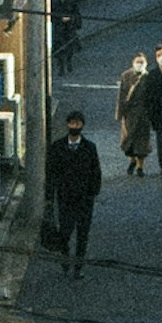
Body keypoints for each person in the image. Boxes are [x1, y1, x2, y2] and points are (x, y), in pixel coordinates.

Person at [49, 111, 103, 278]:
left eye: (77, 124)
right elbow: (51, 173)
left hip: (84, 199)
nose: (74, 126)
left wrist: (93, 192)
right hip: (65, 197)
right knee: (64, 232)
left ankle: (78, 268)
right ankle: (65, 260)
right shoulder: (57, 147)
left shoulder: (89, 147)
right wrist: (49, 196)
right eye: (72, 123)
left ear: (82, 126)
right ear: (67, 125)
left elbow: (96, 172)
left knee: (82, 235)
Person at [115, 51, 157, 178]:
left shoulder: (148, 77)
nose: (139, 64)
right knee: (128, 140)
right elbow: (121, 95)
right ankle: (132, 160)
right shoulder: (125, 76)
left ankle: (140, 166)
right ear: (133, 63)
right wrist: (119, 113)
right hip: (129, 114)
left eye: (142, 62)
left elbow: (152, 97)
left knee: (142, 141)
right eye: (137, 62)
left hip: (143, 114)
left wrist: (152, 114)